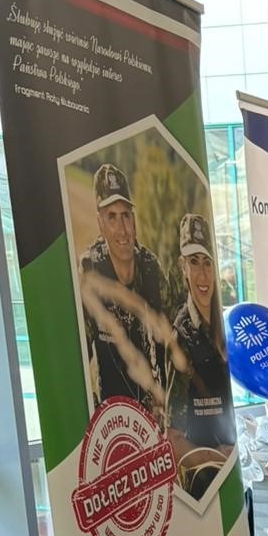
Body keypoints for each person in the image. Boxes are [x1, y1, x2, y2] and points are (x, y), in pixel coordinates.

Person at [79, 163, 171, 419]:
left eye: (126, 216)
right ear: (100, 223)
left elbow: (171, 340)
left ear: (134, 219)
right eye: (111, 217)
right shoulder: (90, 270)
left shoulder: (150, 268)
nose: (122, 229)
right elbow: (79, 355)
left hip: (152, 413)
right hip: (111, 416)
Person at [167, 213, 235, 481]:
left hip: (229, 477)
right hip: (203, 485)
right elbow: (173, 439)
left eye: (208, 263)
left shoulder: (223, 327)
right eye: (194, 262)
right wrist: (216, 458)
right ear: (182, 266)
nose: (203, 274)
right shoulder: (181, 337)